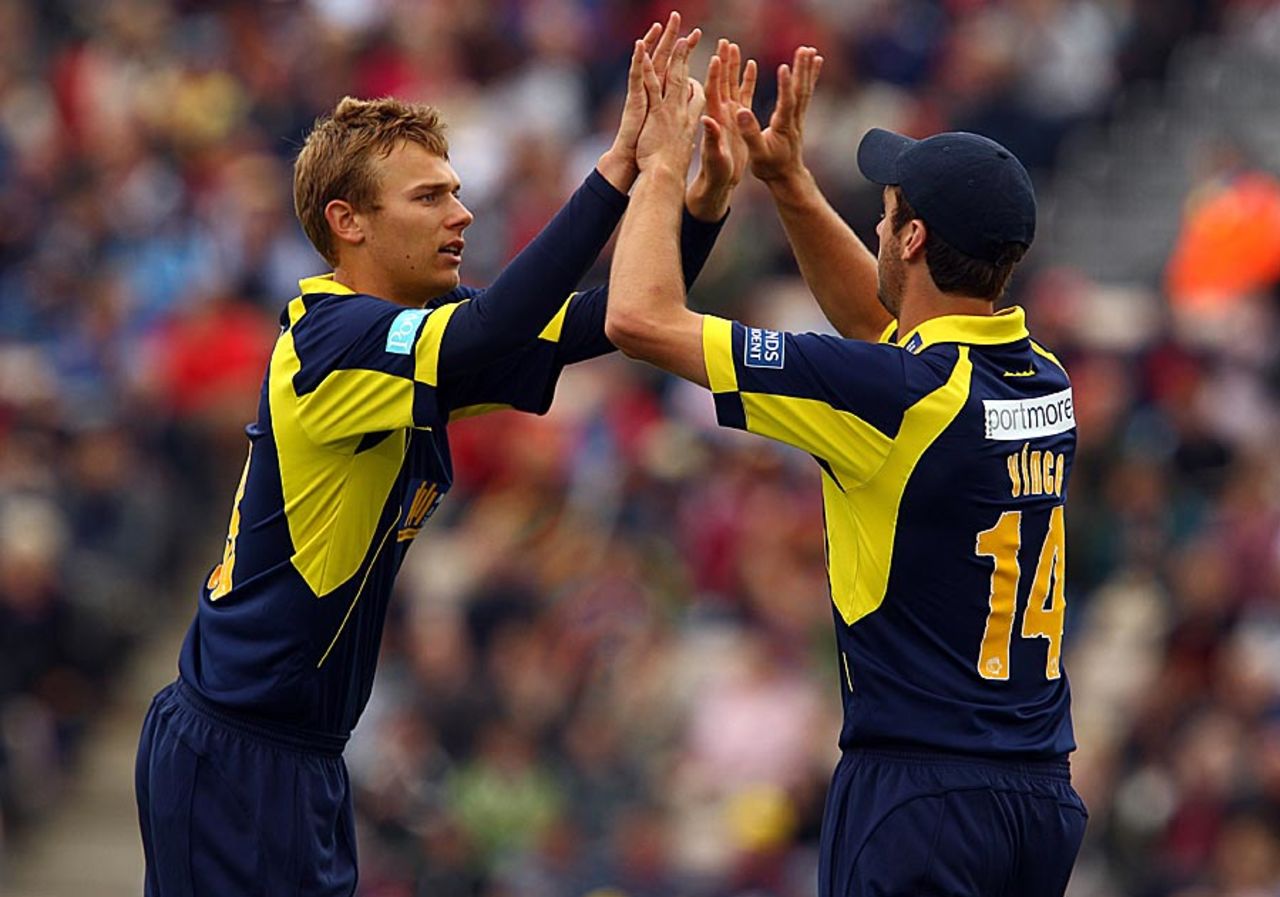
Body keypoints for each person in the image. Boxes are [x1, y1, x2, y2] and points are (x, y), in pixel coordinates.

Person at [132, 14, 753, 895]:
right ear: (346, 222)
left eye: (456, 191)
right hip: (238, 750)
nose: (462, 212)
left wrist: (698, 204)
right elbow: (502, 322)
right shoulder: (333, 340)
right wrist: (623, 167)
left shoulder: (408, 344)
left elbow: (603, 322)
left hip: (300, 756)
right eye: (429, 197)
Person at [605, 35, 1088, 897]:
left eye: (886, 208)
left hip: (918, 795)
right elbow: (879, 324)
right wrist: (789, 182)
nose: (873, 220)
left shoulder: (897, 394)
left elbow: (638, 317)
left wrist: (657, 164)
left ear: (910, 236)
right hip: (1037, 798)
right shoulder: (1037, 376)